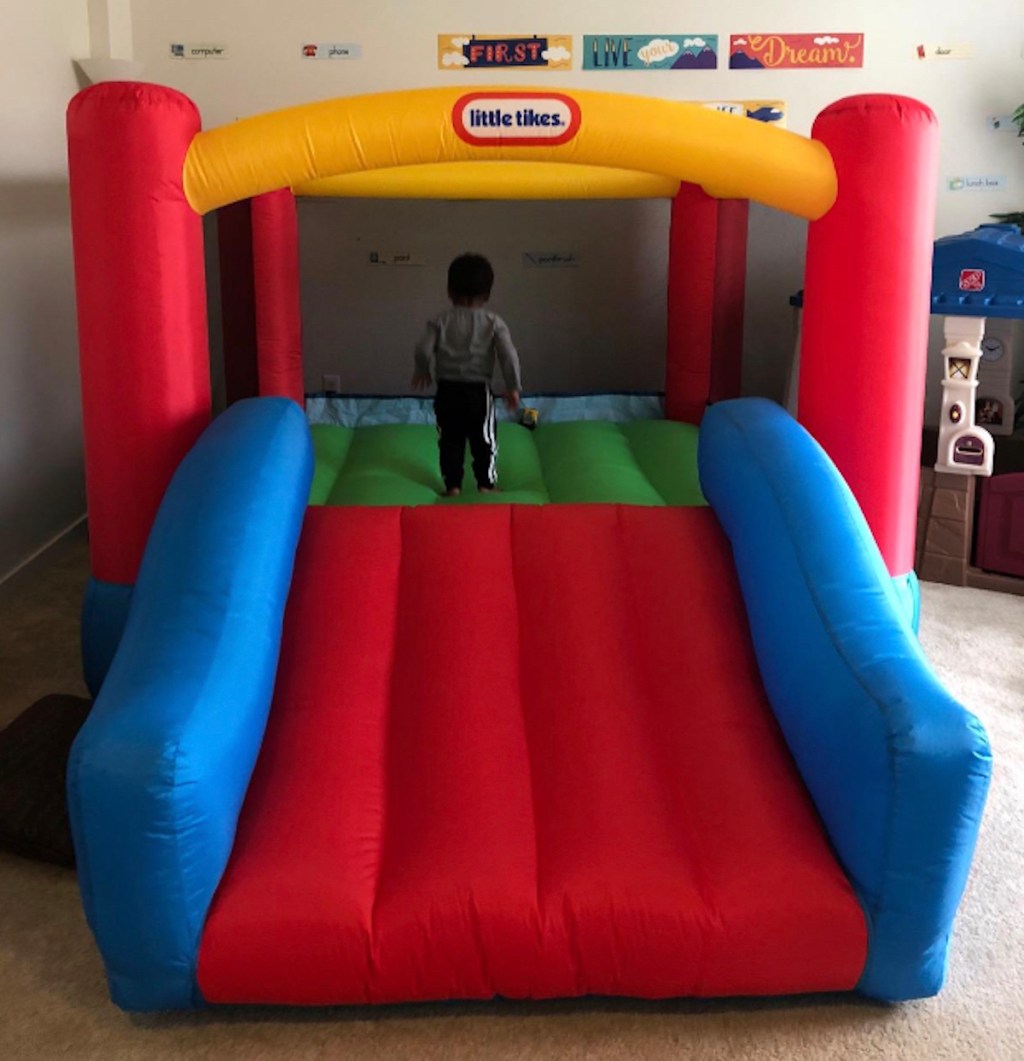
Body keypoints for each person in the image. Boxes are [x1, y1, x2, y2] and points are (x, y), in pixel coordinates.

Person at [412, 253, 522, 496]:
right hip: (478, 391)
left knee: (450, 439)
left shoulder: (440, 320)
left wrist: (422, 369)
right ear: (487, 294)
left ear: (449, 290)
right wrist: (513, 386)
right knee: (484, 437)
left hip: (447, 390)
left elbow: (422, 348)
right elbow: (509, 355)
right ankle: (485, 483)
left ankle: (453, 485)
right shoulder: (493, 322)